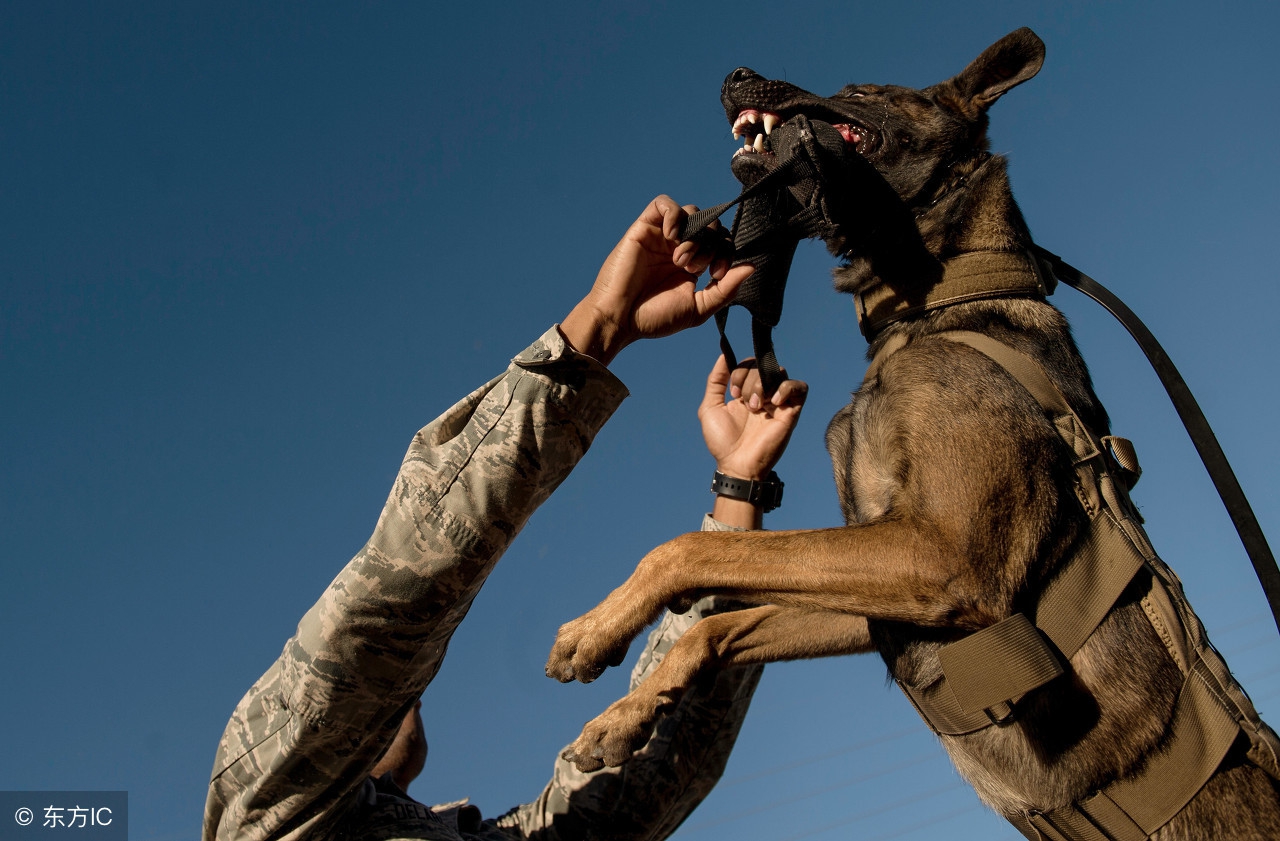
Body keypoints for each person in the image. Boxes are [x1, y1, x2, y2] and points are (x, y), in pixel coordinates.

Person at [203, 196, 809, 841]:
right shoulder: (266, 817)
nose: (409, 693)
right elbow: (386, 609)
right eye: (390, 692)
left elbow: (650, 775)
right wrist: (595, 329)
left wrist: (740, 481)